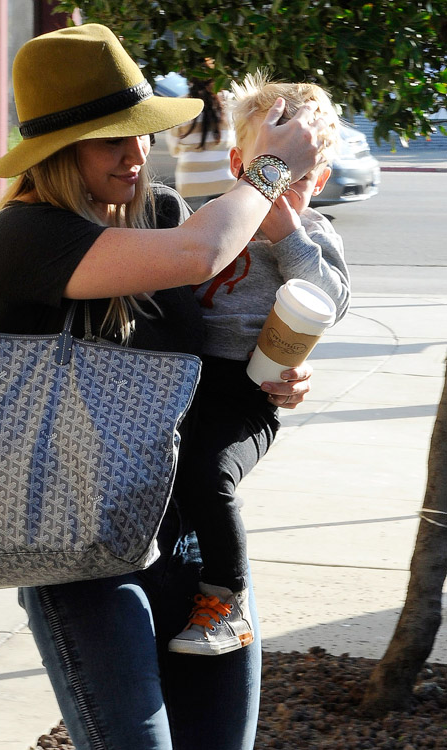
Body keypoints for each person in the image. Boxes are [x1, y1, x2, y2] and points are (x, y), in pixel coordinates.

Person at [0, 24, 327, 750]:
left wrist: (282, 364)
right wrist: (265, 172)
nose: (138, 155)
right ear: (59, 150)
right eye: (114, 139)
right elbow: (202, 252)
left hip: (192, 547)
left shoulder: (159, 210)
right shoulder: (22, 240)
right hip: (83, 559)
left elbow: (221, 333)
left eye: (142, 134)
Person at [168, 72, 351, 657]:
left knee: (209, 472)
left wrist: (291, 236)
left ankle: (228, 601)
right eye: (273, 169)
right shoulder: (213, 220)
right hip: (186, 377)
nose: (282, 190)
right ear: (236, 161)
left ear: (319, 180)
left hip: (250, 387)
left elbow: (333, 300)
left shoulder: (314, 233)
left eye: (299, 179)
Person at [166, 77, 237, 209]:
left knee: (193, 226)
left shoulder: (180, 105)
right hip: (225, 181)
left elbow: (174, 150)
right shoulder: (229, 101)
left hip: (191, 183)